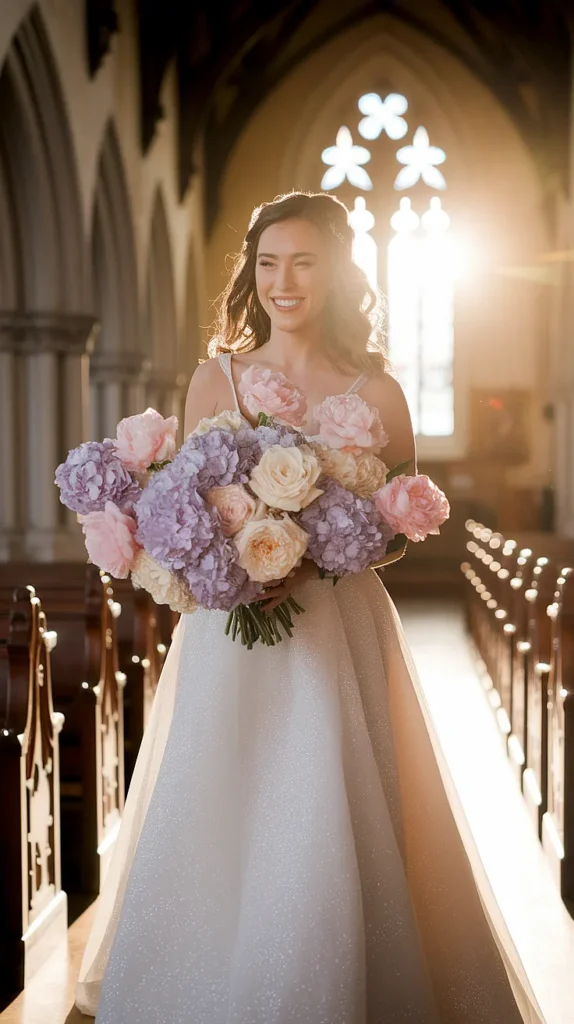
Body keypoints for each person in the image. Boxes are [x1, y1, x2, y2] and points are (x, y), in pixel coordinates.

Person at [74, 192, 544, 1023]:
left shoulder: (380, 393)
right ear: (251, 277)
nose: (283, 281)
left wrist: (320, 547)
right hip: (229, 631)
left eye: (303, 262)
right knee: (222, 797)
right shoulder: (213, 377)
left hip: (337, 622)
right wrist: (235, 553)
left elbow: (402, 525)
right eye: (267, 264)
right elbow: (187, 505)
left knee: (336, 798)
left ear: (338, 273)